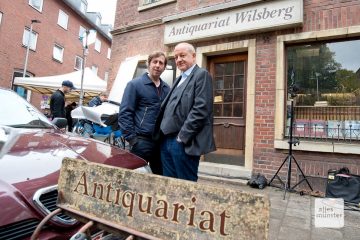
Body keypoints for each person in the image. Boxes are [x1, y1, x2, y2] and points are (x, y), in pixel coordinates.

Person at [154, 42, 216, 182]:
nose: (179, 60)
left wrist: (182, 137)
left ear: (193, 56)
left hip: (183, 142)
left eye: (182, 55)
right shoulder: (178, 79)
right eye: (176, 57)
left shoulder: (202, 75)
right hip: (166, 140)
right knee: (169, 184)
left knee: (185, 187)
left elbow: (201, 109)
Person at [119, 51, 170, 175]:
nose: (157, 65)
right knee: (134, 177)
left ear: (164, 67)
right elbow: (125, 113)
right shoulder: (135, 85)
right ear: (149, 63)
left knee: (159, 178)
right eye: (155, 62)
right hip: (141, 141)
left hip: (160, 142)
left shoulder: (167, 88)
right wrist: (132, 139)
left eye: (161, 63)